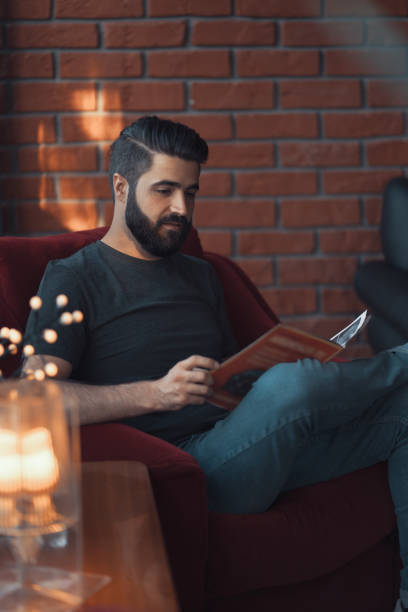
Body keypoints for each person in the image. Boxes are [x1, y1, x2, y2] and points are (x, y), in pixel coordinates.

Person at [22, 116, 408, 612]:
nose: (181, 209)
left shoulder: (201, 276)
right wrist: (155, 393)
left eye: (191, 192)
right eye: (164, 190)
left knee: (389, 409)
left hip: (250, 443)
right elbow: (33, 397)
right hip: (193, 472)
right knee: (293, 387)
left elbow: (234, 382)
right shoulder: (72, 279)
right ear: (121, 186)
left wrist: (257, 374)